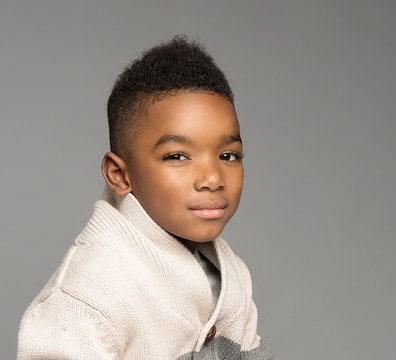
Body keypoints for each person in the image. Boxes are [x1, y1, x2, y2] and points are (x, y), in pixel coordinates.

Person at [17, 35, 273, 360]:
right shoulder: (85, 301)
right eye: (177, 156)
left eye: (228, 155)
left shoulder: (231, 275)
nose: (212, 178)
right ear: (119, 175)